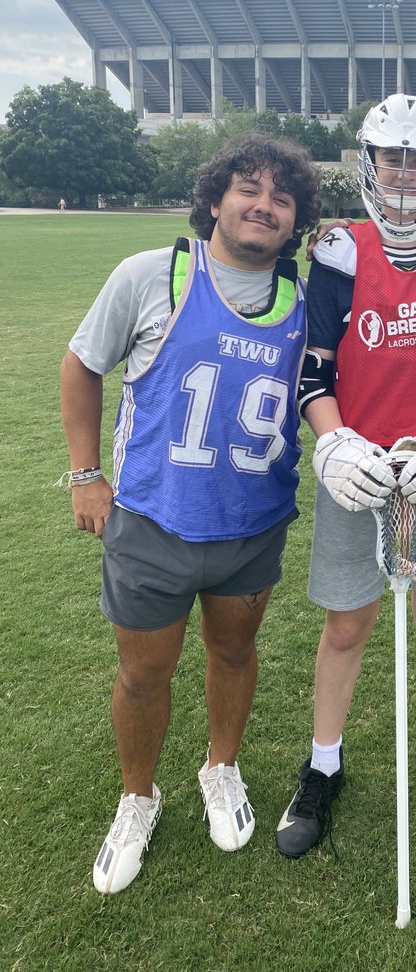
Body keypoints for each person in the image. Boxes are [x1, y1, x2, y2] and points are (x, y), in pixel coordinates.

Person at [60, 135, 320, 894]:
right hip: (154, 519)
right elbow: (82, 364)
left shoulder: (306, 297)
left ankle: (221, 767)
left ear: (295, 219)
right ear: (215, 197)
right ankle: (138, 796)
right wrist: (85, 474)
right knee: (144, 676)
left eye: (282, 197)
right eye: (249, 188)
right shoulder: (151, 274)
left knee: (234, 654)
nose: (262, 205)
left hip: (252, 522)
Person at [275, 94, 416, 860]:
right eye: (392, 156)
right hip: (360, 470)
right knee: (347, 624)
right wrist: (334, 443)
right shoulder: (337, 252)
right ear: (370, 161)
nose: (405, 172)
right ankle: (323, 765)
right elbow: (313, 374)